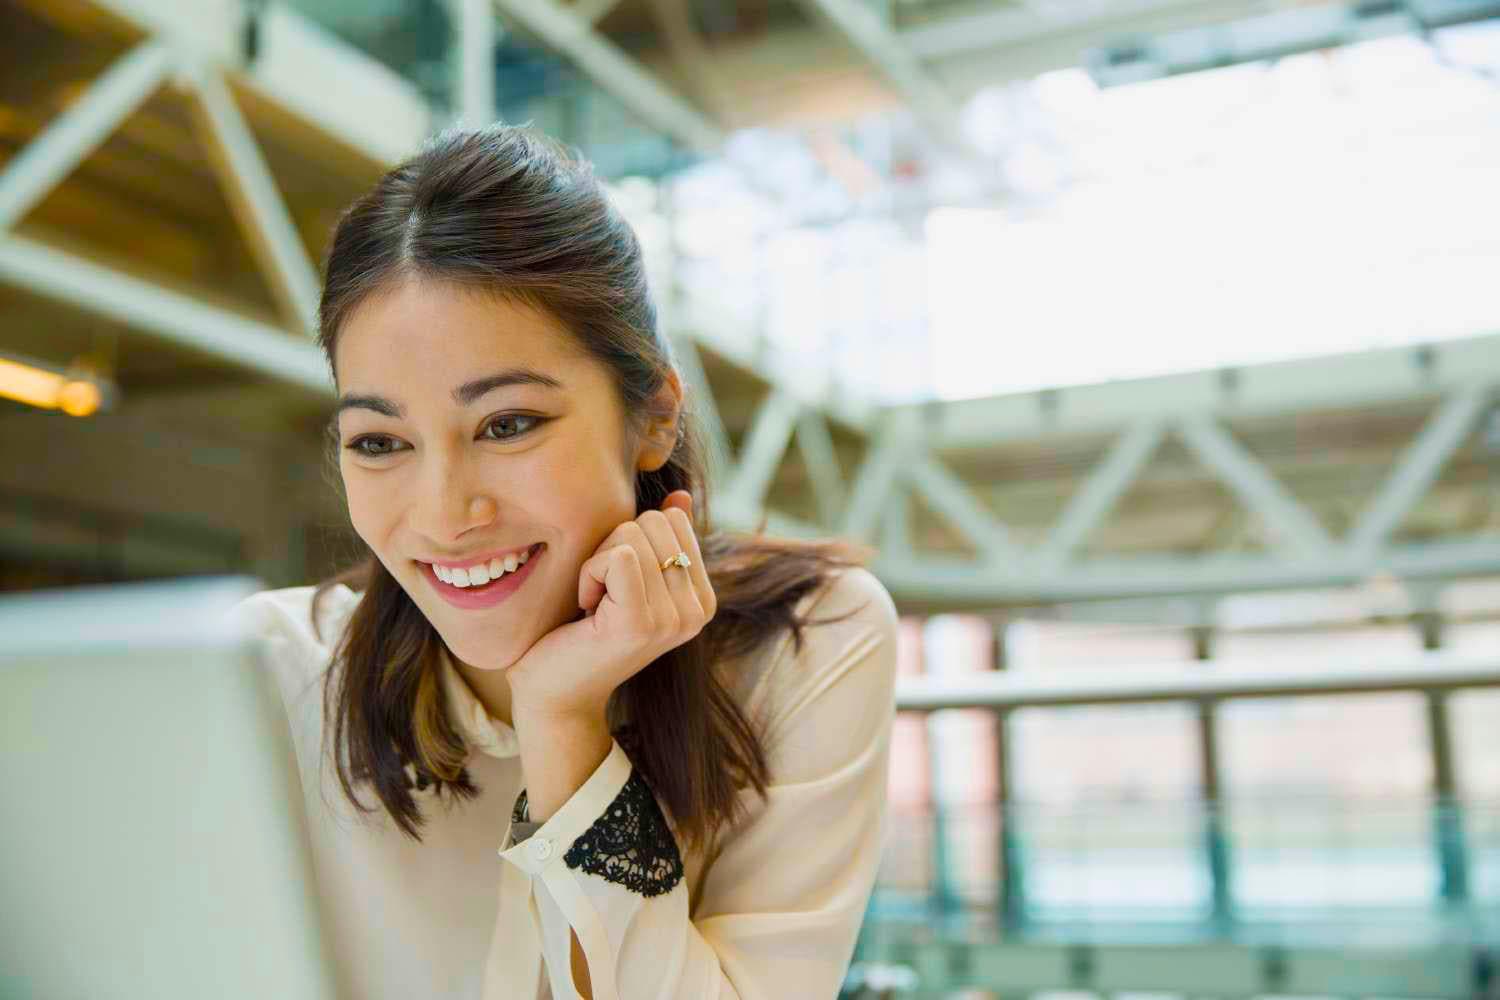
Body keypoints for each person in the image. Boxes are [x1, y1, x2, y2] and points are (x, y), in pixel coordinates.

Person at [231, 124, 899, 1000]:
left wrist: (565, 724)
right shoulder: (262, 672)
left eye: (508, 424)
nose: (443, 515)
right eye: (380, 441)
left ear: (655, 416)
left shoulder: (809, 639)